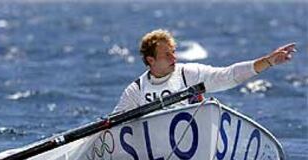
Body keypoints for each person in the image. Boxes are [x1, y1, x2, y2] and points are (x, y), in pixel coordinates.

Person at [113, 29, 296, 112]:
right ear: (150, 60)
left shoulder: (189, 74)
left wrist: (268, 61)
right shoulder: (136, 90)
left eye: (174, 52)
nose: (174, 58)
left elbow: (230, 75)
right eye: (167, 55)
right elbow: (113, 123)